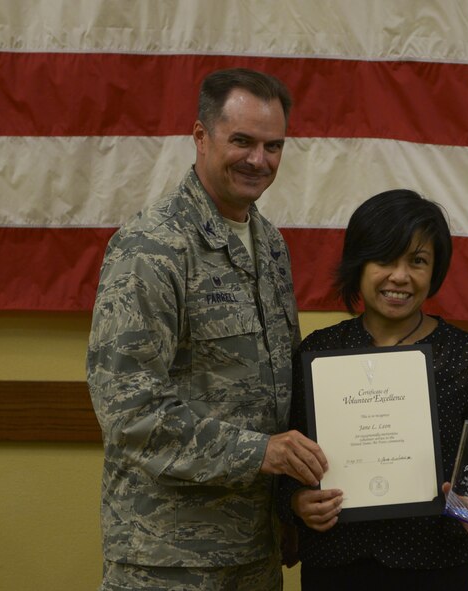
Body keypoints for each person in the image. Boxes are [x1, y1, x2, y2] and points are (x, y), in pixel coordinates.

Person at [86, 68, 328, 591]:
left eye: (273, 145)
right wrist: (260, 453)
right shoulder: (150, 248)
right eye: (241, 140)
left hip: (254, 553)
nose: (258, 160)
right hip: (168, 559)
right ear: (200, 136)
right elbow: (129, 411)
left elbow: (276, 396)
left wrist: (285, 511)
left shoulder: (271, 246)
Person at [277, 189, 468, 591]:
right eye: (384, 259)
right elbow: (289, 469)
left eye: (417, 261)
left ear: (435, 271)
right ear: (358, 264)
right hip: (336, 562)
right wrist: (296, 503)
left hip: (436, 565)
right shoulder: (317, 352)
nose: (400, 276)